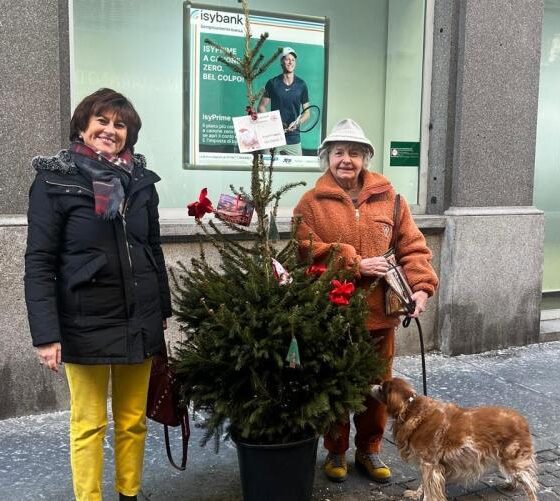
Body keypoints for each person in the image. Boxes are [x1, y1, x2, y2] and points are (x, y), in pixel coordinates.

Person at [24, 88, 172, 501]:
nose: (110, 130)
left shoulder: (141, 183)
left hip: (138, 318)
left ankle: (129, 494)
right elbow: (39, 261)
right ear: (83, 126)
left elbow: (152, 249)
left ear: (130, 134)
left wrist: (161, 309)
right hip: (82, 319)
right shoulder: (54, 181)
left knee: (132, 420)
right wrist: (45, 334)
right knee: (89, 423)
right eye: (102, 121)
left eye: (120, 124)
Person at [293, 118, 438, 484]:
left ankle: (370, 449)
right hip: (332, 313)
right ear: (327, 157)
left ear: (365, 159)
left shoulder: (392, 200)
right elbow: (304, 249)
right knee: (334, 382)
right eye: (339, 152)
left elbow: (413, 247)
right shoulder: (310, 203)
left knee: (378, 387)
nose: (346, 160)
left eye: (354, 153)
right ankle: (337, 449)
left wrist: (421, 287)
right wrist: (352, 261)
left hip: (378, 317)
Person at [258, 46, 310, 155]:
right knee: (266, 169)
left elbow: (307, 112)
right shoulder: (272, 83)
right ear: (282, 62)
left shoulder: (301, 85)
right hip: (273, 137)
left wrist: (297, 123)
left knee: (297, 170)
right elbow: (261, 107)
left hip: (294, 138)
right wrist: (274, 123)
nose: (290, 62)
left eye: (293, 60)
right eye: (287, 59)